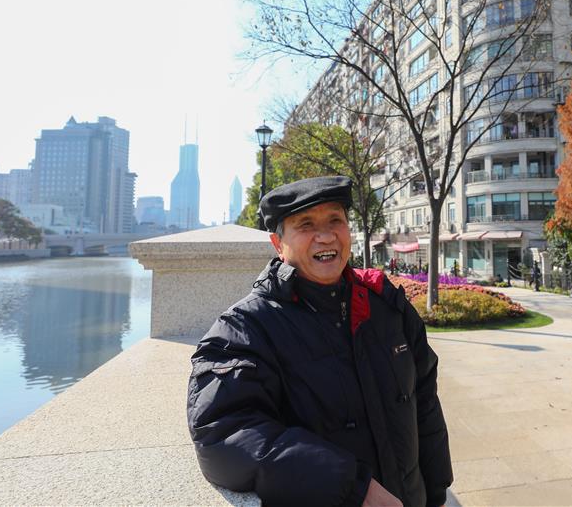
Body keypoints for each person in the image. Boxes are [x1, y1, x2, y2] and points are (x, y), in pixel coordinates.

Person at [187, 176, 452, 507]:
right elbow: (222, 435)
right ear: (277, 243)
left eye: (335, 220)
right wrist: (351, 486)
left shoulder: (386, 306)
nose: (325, 236)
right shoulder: (245, 328)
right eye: (306, 224)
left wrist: (437, 492)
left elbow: (424, 403)